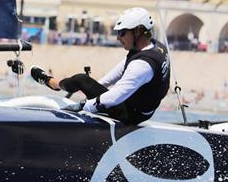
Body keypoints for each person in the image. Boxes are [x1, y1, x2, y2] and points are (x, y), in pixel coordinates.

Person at [30, 7, 170, 125]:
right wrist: (93, 87)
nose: (118, 38)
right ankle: (55, 83)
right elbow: (123, 68)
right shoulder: (154, 47)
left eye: (122, 33)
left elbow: (115, 96)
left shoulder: (142, 66)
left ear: (138, 31)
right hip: (141, 108)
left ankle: (52, 82)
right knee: (85, 82)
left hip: (131, 115)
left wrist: (84, 106)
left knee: (80, 79)